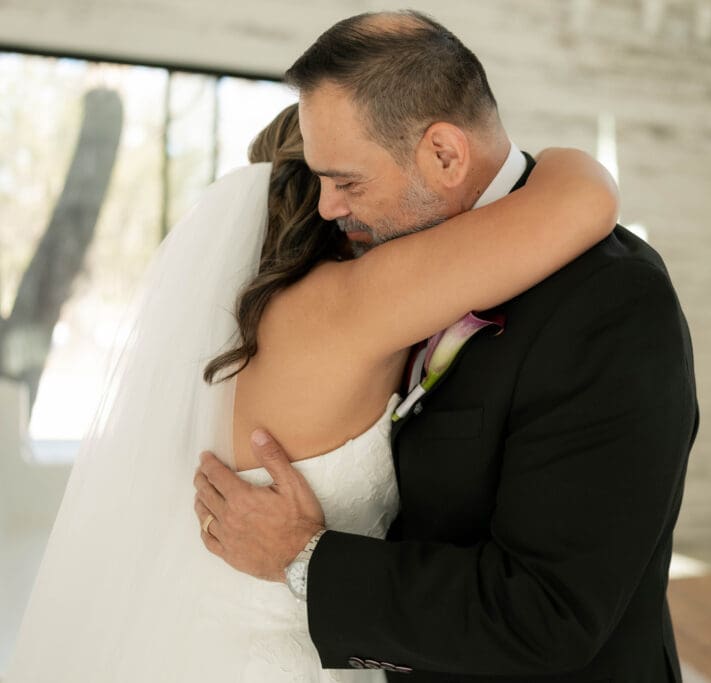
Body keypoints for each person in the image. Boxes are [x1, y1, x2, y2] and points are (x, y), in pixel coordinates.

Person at [7, 97, 619, 683]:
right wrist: (566, 153)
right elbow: (583, 201)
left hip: (208, 638)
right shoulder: (355, 302)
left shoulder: (236, 318)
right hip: (300, 653)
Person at [194, 10, 699, 683]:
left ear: (444, 154)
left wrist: (304, 557)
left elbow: (546, 614)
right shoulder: (384, 272)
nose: (328, 208)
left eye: (347, 180)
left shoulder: (611, 303)